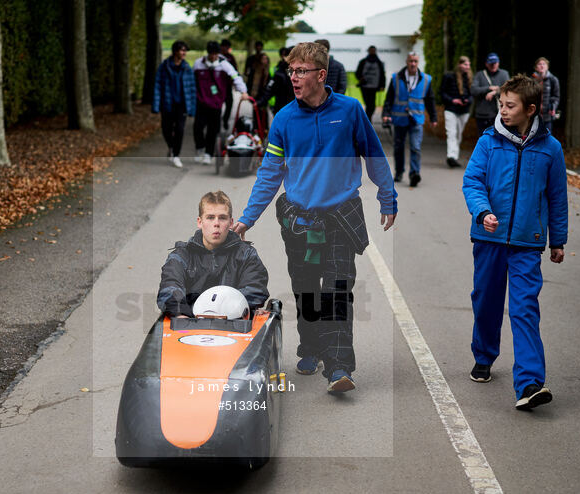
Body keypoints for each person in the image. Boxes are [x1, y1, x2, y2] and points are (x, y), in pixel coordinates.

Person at [231, 42, 398, 394]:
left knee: (337, 292)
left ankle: (339, 367)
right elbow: (270, 172)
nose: (293, 77)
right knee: (306, 290)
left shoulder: (350, 111)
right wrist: (247, 219)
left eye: (301, 71)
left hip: (340, 217)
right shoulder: (284, 119)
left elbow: (374, 154)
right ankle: (309, 346)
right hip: (300, 220)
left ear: (321, 75)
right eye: (291, 71)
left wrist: (388, 196)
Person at [461, 74, 568, 411]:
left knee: (524, 309)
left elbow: (557, 197)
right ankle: (484, 355)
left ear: (531, 109)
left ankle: (530, 383)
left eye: (510, 106)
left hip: (527, 242)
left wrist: (558, 240)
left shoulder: (551, 149)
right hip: (488, 237)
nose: (503, 111)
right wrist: (482, 212)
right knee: (487, 301)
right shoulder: (488, 142)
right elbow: (472, 181)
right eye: (501, 104)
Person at [158, 190, 269, 319]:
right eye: (210, 217)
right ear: (200, 222)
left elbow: (255, 289)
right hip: (190, 322)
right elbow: (169, 288)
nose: (216, 223)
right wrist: (181, 314)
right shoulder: (181, 256)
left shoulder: (246, 255)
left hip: (234, 323)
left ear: (231, 223)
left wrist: (219, 311)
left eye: (222, 218)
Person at [381, 52, 437, 187]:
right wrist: (386, 113)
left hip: (417, 119)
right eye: (411, 61)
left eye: (415, 61)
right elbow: (389, 98)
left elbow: (430, 100)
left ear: (418, 63)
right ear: (406, 61)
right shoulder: (396, 78)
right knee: (398, 147)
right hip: (399, 118)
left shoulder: (426, 79)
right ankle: (399, 171)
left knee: (415, 147)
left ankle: (414, 174)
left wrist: (433, 117)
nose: (413, 64)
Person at [192, 41, 247, 165]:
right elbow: (191, 80)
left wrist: (243, 91)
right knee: (198, 128)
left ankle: (208, 153)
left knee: (213, 129)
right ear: (208, 53)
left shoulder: (224, 65)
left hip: (216, 103)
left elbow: (236, 77)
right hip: (201, 102)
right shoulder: (198, 64)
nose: (213, 57)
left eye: (216, 54)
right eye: (211, 54)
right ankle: (200, 147)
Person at [152, 40, 196, 168]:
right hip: (167, 104)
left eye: (185, 51)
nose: (184, 53)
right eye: (182, 50)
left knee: (180, 130)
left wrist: (192, 108)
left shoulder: (187, 68)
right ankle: (171, 147)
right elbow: (157, 86)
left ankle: (176, 155)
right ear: (175, 51)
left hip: (182, 105)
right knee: (166, 129)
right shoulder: (164, 66)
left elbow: (192, 89)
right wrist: (156, 106)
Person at [440, 55, 473, 168]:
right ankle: (451, 156)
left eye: (468, 65)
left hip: (464, 110)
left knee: (458, 134)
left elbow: (472, 94)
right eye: (465, 64)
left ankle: (455, 156)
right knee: (451, 133)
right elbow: (442, 93)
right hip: (451, 109)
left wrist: (467, 101)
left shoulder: (469, 78)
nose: (467, 67)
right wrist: (453, 100)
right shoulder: (449, 76)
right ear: (459, 65)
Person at [471, 52, 509, 135]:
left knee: (498, 140)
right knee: (483, 140)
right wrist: (488, 88)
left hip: (499, 114)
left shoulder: (504, 74)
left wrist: (495, 92)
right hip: (482, 115)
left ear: (498, 63)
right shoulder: (479, 75)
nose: (493, 65)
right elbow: (473, 90)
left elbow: (508, 90)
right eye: (491, 63)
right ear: (486, 64)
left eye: (495, 63)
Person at [256, 47, 295, 115]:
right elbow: (269, 90)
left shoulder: (300, 72)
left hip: (297, 109)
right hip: (283, 109)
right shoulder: (280, 73)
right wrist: (259, 102)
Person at [355, 46, 386, 120]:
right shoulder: (363, 62)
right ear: (368, 51)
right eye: (371, 50)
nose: (372, 52)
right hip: (365, 86)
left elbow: (382, 74)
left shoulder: (379, 62)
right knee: (368, 103)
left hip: (374, 87)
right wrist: (360, 78)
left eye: (373, 50)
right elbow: (357, 73)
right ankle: (367, 119)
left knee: (372, 105)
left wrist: (382, 85)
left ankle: (368, 118)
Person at [532, 57, 560, 135]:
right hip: (534, 116)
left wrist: (553, 107)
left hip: (547, 116)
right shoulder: (532, 80)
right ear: (536, 67)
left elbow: (556, 97)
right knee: (534, 139)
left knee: (547, 138)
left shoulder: (553, 80)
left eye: (544, 64)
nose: (542, 66)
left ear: (547, 67)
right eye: (539, 64)